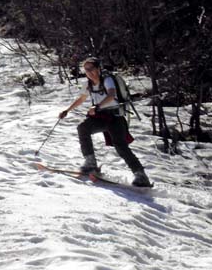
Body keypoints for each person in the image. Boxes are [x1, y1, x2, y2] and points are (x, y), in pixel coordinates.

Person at [59, 56, 151, 187]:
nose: (89, 72)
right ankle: (90, 163)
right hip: (100, 118)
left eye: (91, 68)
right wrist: (67, 110)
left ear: (98, 68)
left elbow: (111, 95)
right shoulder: (88, 84)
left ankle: (140, 175)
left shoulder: (107, 80)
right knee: (82, 128)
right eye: (86, 69)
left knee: (120, 146)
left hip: (115, 117)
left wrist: (97, 107)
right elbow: (81, 99)